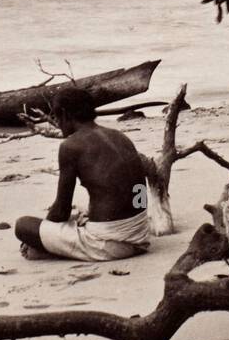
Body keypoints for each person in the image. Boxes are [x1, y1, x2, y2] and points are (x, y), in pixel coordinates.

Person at [14, 86, 151, 261]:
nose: (56, 122)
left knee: (23, 225)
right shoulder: (120, 136)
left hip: (109, 243)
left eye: (55, 117)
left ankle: (52, 249)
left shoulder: (70, 146)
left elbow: (61, 211)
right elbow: (140, 190)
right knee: (78, 213)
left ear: (64, 114)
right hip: (141, 233)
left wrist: (40, 235)